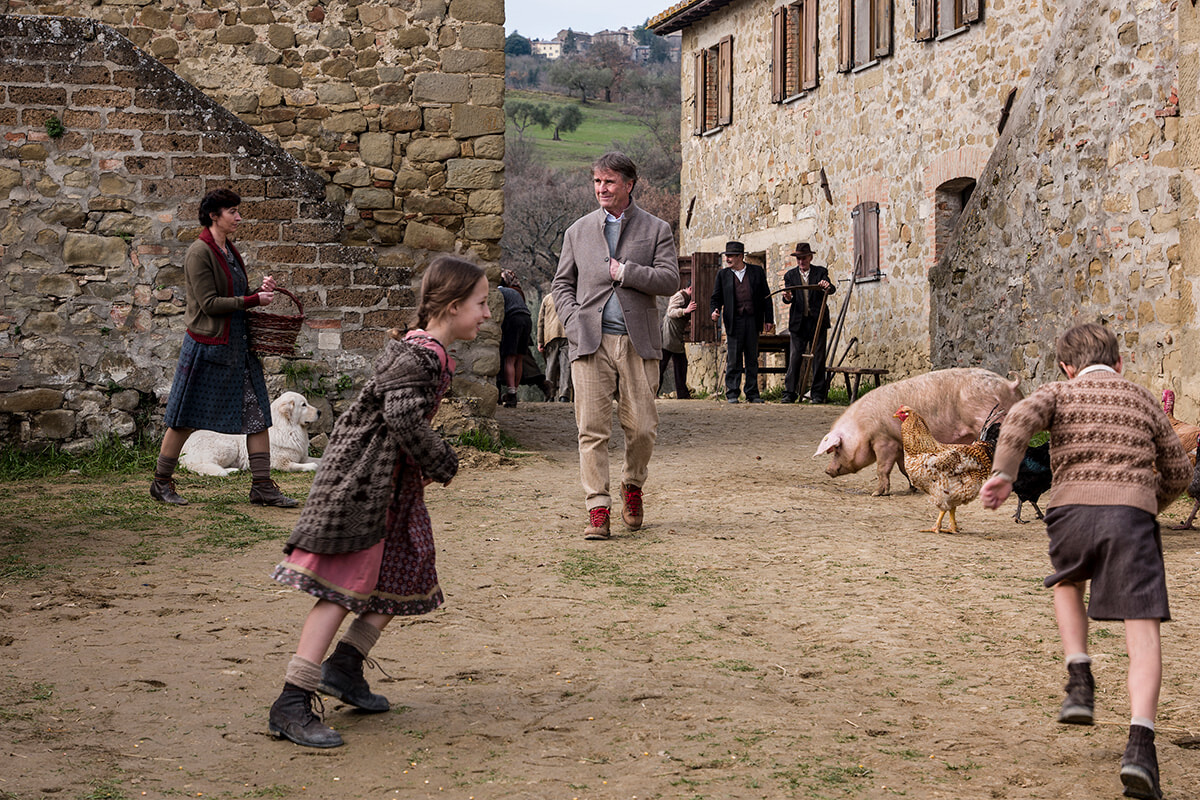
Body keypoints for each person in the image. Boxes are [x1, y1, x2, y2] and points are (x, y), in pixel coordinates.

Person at [267, 256, 490, 749]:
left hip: (393, 485)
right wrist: (442, 460)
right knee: (340, 588)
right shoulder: (419, 356)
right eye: (481, 303)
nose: (487, 313)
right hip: (364, 484)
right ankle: (291, 700)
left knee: (406, 570)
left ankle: (344, 667)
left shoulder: (427, 351)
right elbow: (403, 419)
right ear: (453, 306)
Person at [979, 322, 1190, 800]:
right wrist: (1146, 503)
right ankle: (1140, 747)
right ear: (1119, 363)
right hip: (1132, 518)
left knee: (1067, 581)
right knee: (1143, 628)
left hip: (1070, 512)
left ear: (1066, 367)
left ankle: (1079, 678)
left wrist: (1004, 474)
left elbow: (1018, 418)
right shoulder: (1142, 399)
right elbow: (1179, 470)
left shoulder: (1058, 392)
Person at [552, 151, 679, 540]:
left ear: (628, 184)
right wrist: (573, 322)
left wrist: (626, 272)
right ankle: (598, 508)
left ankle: (632, 484)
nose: (601, 188)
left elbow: (669, 280)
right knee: (591, 429)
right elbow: (562, 284)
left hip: (638, 342)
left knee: (642, 427)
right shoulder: (577, 231)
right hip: (590, 343)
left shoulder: (656, 229)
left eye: (609, 181)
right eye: (597, 181)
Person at [150, 188, 298, 508]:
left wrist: (260, 292)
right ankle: (161, 482)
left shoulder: (229, 250)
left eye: (237, 211)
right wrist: (252, 300)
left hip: (237, 347)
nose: (239, 217)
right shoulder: (199, 253)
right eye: (232, 211)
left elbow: (236, 295)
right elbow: (209, 304)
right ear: (213, 216)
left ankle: (262, 486)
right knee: (184, 418)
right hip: (207, 347)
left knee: (258, 415)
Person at [709, 241, 773, 403]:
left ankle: (752, 393)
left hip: (752, 320)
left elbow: (766, 297)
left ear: (740, 256)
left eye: (730, 256)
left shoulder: (756, 272)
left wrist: (769, 319)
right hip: (734, 321)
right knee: (734, 358)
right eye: (726, 256)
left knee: (752, 358)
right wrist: (714, 310)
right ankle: (732, 393)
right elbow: (716, 298)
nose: (727, 259)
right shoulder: (723, 275)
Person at [781, 242, 835, 404]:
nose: (801, 262)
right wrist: (787, 297)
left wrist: (826, 286)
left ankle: (817, 394)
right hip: (798, 323)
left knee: (818, 358)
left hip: (817, 322)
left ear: (810, 258)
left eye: (804, 258)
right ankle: (790, 393)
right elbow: (788, 298)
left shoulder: (820, 272)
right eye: (798, 259)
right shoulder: (790, 275)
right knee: (795, 357)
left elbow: (831, 289)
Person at [497, 269, 532, 408]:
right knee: (519, 358)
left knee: (509, 358)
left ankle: (511, 395)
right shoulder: (514, 291)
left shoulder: (499, 292)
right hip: (527, 319)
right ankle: (514, 392)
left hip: (513, 320)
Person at [658, 282, 695, 399]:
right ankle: (653, 391)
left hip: (676, 334)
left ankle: (682, 393)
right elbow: (670, 312)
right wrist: (685, 311)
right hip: (669, 333)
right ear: (690, 288)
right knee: (662, 364)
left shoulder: (688, 298)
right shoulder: (679, 296)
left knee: (681, 364)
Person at [538, 292, 572, 402]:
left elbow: (541, 321)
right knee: (566, 366)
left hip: (550, 336)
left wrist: (540, 341)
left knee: (550, 366)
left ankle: (550, 394)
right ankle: (564, 395)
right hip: (567, 334)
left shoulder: (547, 298)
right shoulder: (570, 295)